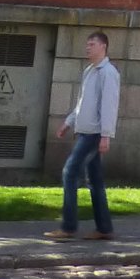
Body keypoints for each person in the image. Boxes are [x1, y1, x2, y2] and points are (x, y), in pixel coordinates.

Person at [45, 30, 120, 240]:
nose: (88, 48)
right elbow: (82, 104)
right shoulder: (89, 71)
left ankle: (68, 227)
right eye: (87, 44)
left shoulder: (108, 73)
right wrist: (68, 123)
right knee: (95, 180)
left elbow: (109, 106)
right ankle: (104, 229)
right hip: (84, 131)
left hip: (94, 134)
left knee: (69, 172)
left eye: (92, 44)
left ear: (103, 47)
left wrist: (106, 135)